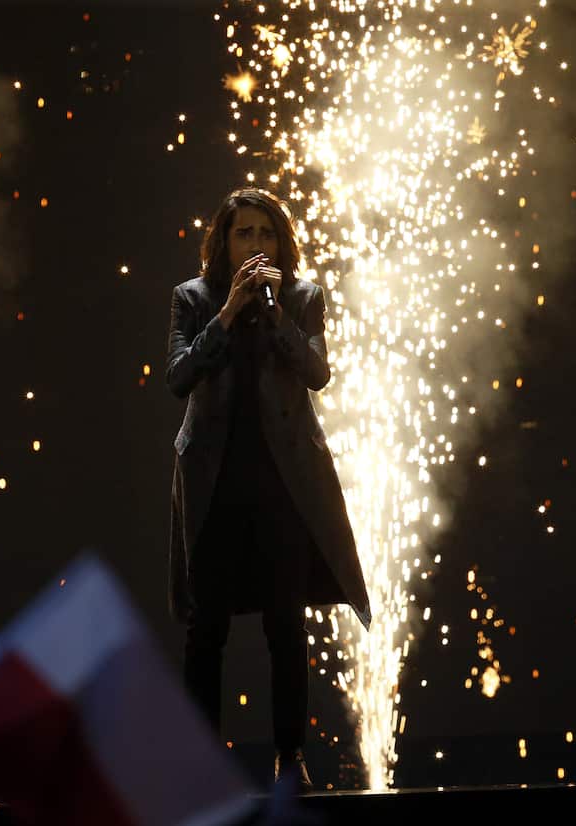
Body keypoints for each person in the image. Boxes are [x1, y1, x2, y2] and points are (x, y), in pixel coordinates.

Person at [165, 188, 371, 792]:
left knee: (286, 621)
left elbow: (316, 373)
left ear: (282, 242)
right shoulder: (193, 299)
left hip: (283, 484)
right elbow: (178, 378)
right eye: (243, 233)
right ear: (222, 243)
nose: (255, 245)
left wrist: (275, 315)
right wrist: (228, 313)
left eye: (266, 234)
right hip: (215, 481)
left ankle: (290, 758)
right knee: (208, 629)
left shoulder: (302, 297)